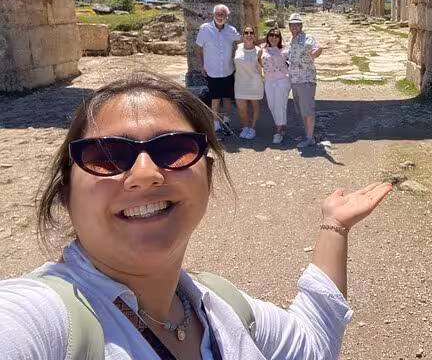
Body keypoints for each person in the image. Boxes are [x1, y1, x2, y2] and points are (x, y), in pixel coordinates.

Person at [0, 72, 393, 359]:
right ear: (66, 192)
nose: (145, 175)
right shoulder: (41, 322)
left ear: (207, 173)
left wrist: (334, 226)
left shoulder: (223, 307)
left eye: (174, 149)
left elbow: (313, 344)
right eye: (106, 156)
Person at [193, 4, 240, 134]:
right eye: (218, 14)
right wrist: (201, 66)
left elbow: (243, 41)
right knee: (215, 98)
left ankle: (226, 121)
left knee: (226, 98)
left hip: (227, 70)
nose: (220, 16)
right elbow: (197, 49)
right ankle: (216, 124)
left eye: (223, 14)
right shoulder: (205, 29)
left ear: (227, 16)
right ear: (213, 15)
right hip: (212, 71)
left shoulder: (231, 30)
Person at [287, 13, 323, 148]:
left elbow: (314, 53)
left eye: (297, 24)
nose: (294, 27)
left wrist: (319, 50)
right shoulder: (291, 40)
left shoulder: (308, 38)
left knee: (307, 109)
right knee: (301, 110)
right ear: (289, 27)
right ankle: (307, 134)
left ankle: (309, 138)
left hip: (306, 79)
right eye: (292, 25)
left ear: (301, 26)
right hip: (295, 80)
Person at [261, 28, 291, 144]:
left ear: (280, 38)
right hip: (268, 80)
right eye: (271, 35)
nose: (274, 37)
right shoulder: (263, 49)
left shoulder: (285, 49)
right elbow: (252, 43)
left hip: (282, 80)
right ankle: (282, 125)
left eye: (277, 36)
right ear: (268, 37)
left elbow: (294, 60)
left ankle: (278, 131)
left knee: (280, 105)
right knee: (272, 105)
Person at [233, 27, 264, 140]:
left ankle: (252, 128)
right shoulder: (238, 48)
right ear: (243, 35)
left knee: (255, 106)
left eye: (251, 33)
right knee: (241, 108)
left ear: (254, 35)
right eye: (246, 32)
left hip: (254, 82)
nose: (249, 34)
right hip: (240, 82)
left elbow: (263, 65)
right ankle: (245, 126)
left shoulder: (258, 50)